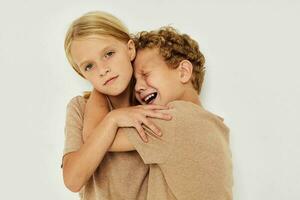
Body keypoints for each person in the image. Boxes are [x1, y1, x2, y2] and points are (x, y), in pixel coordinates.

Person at [84, 27, 233, 199]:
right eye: (135, 81)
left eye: (145, 74)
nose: (138, 88)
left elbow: (95, 138)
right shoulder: (209, 125)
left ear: (183, 72)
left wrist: (101, 86)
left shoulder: (172, 119)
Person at [61, 11, 173, 200]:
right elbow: (73, 180)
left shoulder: (152, 101)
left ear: (130, 49)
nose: (103, 70)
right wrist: (112, 119)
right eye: (89, 66)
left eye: (109, 54)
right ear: (83, 75)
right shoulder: (79, 108)